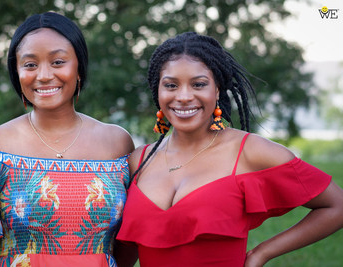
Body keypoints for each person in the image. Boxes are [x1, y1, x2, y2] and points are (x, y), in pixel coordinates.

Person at [116, 32, 343, 267]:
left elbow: (336, 205)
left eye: (199, 84)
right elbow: (127, 248)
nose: (183, 97)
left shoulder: (249, 151)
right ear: (158, 91)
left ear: (217, 90)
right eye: (171, 85)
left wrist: (261, 253)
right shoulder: (139, 160)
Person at [0, 12, 134, 266]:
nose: (44, 75)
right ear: (17, 72)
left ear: (79, 67)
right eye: (30, 64)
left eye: (58, 62)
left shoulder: (118, 143)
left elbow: (128, 244)